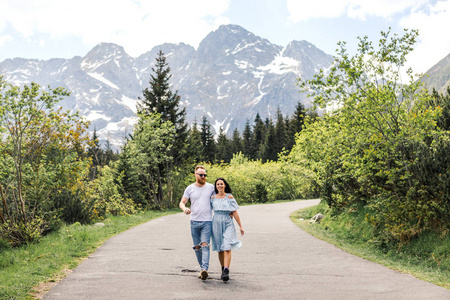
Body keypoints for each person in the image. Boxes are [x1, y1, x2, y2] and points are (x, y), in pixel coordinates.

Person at [179, 165, 215, 281]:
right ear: (195, 175)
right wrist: (184, 209)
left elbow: (218, 199)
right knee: (197, 247)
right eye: (201, 175)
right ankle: (201, 269)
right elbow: (182, 202)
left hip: (207, 221)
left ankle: (205, 269)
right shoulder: (190, 188)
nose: (203, 176)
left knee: (205, 245)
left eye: (205, 175)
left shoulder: (210, 187)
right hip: (194, 221)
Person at [211, 177, 244, 282]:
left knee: (227, 246)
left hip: (227, 222)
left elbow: (234, 212)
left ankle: (226, 270)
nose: (219, 186)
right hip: (216, 222)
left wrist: (241, 226)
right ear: (216, 186)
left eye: (221, 184)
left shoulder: (229, 197)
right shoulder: (212, 197)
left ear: (225, 185)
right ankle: (223, 269)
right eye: (218, 184)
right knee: (220, 248)